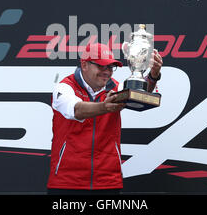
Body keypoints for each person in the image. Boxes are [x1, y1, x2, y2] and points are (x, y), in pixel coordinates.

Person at [46, 42, 163, 195]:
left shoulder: (115, 88)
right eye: (101, 66)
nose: (106, 72)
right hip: (66, 182)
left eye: (110, 67)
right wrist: (104, 107)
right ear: (84, 64)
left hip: (108, 182)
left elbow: (139, 94)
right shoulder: (65, 87)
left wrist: (153, 75)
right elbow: (77, 110)